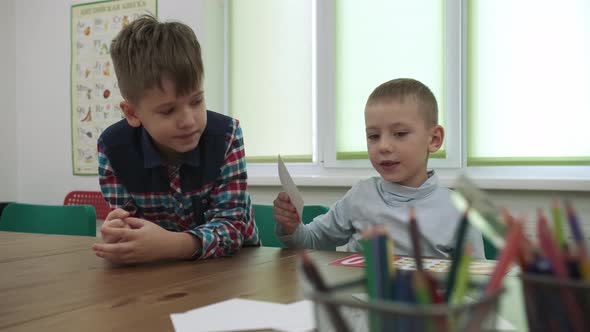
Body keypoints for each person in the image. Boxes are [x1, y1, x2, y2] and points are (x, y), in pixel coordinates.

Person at [92, 15, 259, 264]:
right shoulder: (112, 149)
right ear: (132, 113)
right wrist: (120, 233)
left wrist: (171, 244)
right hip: (161, 272)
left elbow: (232, 228)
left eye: (196, 101)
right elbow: (131, 228)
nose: (189, 120)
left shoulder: (227, 135)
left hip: (234, 266)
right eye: (168, 110)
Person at [272, 78, 484, 258]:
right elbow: (311, 240)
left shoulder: (459, 211)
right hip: (359, 303)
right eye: (373, 136)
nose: (383, 146)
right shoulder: (360, 195)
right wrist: (291, 227)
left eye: (400, 134)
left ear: (434, 139)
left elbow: (477, 281)